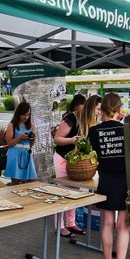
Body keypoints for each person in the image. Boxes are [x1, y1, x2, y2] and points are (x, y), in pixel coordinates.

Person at [87, 93, 130, 259]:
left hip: (106, 180)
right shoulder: (129, 128)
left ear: (101, 110)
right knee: (123, 225)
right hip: (127, 182)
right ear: (119, 110)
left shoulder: (93, 131)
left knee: (107, 223)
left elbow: (96, 154)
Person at [53, 94, 87, 237]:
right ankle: (59, 225)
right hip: (62, 158)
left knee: (75, 192)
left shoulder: (87, 120)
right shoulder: (70, 119)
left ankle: (71, 223)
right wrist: (72, 140)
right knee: (63, 192)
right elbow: (57, 139)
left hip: (75, 162)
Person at [4, 101, 38, 185]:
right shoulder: (12, 125)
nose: (26, 117)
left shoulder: (31, 125)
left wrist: (33, 138)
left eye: (28, 115)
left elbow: (31, 144)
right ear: (18, 114)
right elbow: (9, 144)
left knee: (32, 180)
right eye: (23, 115)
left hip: (26, 153)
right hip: (15, 153)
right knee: (15, 181)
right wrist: (19, 137)